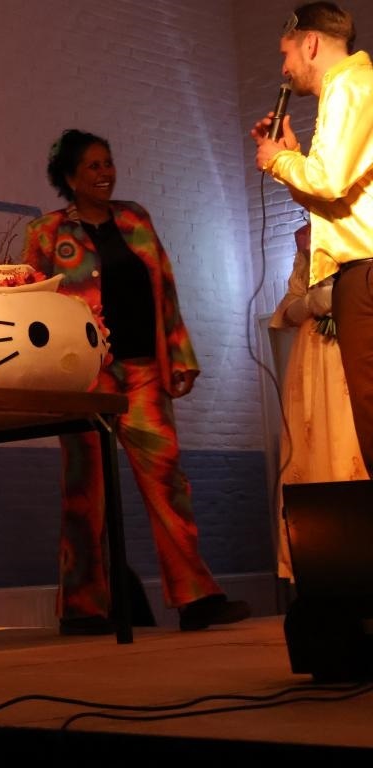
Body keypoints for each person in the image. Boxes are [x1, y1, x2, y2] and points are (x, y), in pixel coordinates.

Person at [22, 129, 251, 634]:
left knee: (168, 480)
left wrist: (179, 355)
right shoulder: (46, 233)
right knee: (85, 492)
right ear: (69, 178)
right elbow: (30, 307)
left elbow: (164, 287)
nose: (105, 173)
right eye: (93, 166)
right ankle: (82, 609)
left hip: (143, 372)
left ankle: (196, 598)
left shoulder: (136, 219)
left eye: (108, 163)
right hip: (85, 378)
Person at [252, 2, 373, 476]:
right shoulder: (353, 87)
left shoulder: (348, 86)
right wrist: (292, 156)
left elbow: (328, 181)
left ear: (312, 44)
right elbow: (336, 200)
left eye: (286, 54)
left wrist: (276, 159)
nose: (284, 69)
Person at [270, 221, 368, 579]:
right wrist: (312, 302)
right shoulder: (308, 237)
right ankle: (323, 558)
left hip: (357, 338)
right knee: (315, 441)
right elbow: (288, 307)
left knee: (353, 433)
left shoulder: (363, 227)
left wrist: (344, 295)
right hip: (315, 354)